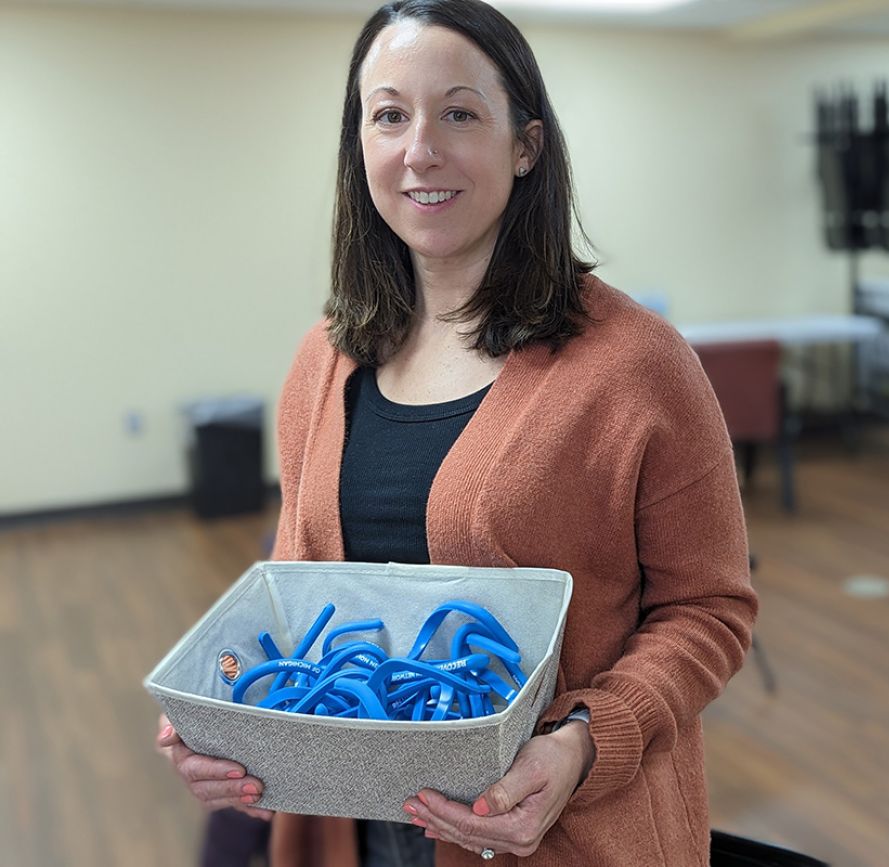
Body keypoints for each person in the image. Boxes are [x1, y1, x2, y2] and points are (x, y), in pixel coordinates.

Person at [157, 1, 757, 864]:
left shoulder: (638, 363)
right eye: (390, 115)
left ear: (526, 146)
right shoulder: (321, 361)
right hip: (356, 832)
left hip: (563, 831)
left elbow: (710, 609)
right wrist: (226, 713)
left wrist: (583, 740)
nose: (420, 150)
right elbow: (294, 596)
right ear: (359, 146)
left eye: (460, 113)